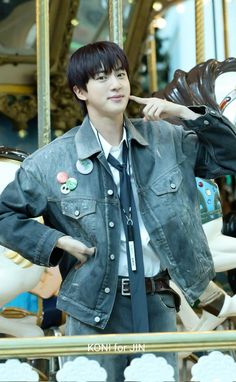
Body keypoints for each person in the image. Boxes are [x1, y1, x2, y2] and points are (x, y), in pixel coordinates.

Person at [0, 41, 236, 381]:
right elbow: (5, 215)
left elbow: (229, 156)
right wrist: (55, 242)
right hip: (93, 307)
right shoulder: (52, 161)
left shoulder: (169, 140)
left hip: (157, 302)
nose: (116, 84)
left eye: (121, 74)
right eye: (101, 78)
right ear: (80, 91)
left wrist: (189, 115)